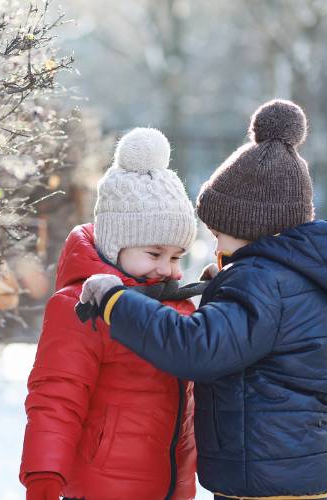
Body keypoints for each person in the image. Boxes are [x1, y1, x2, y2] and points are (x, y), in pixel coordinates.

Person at [79, 100, 327, 500]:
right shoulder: (301, 276)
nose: (214, 241)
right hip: (294, 467)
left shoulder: (260, 282)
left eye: (219, 231)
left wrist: (116, 300)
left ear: (249, 227)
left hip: (262, 476)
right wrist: (225, 289)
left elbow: (197, 348)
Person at [20, 128, 199, 499]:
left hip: (168, 486)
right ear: (115, 243)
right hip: (101, 487)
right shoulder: (83, 306)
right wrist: (44, 476)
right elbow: (56, 397)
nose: (167, 268)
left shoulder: (178, 305)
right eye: (154, 253)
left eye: (176, 257)